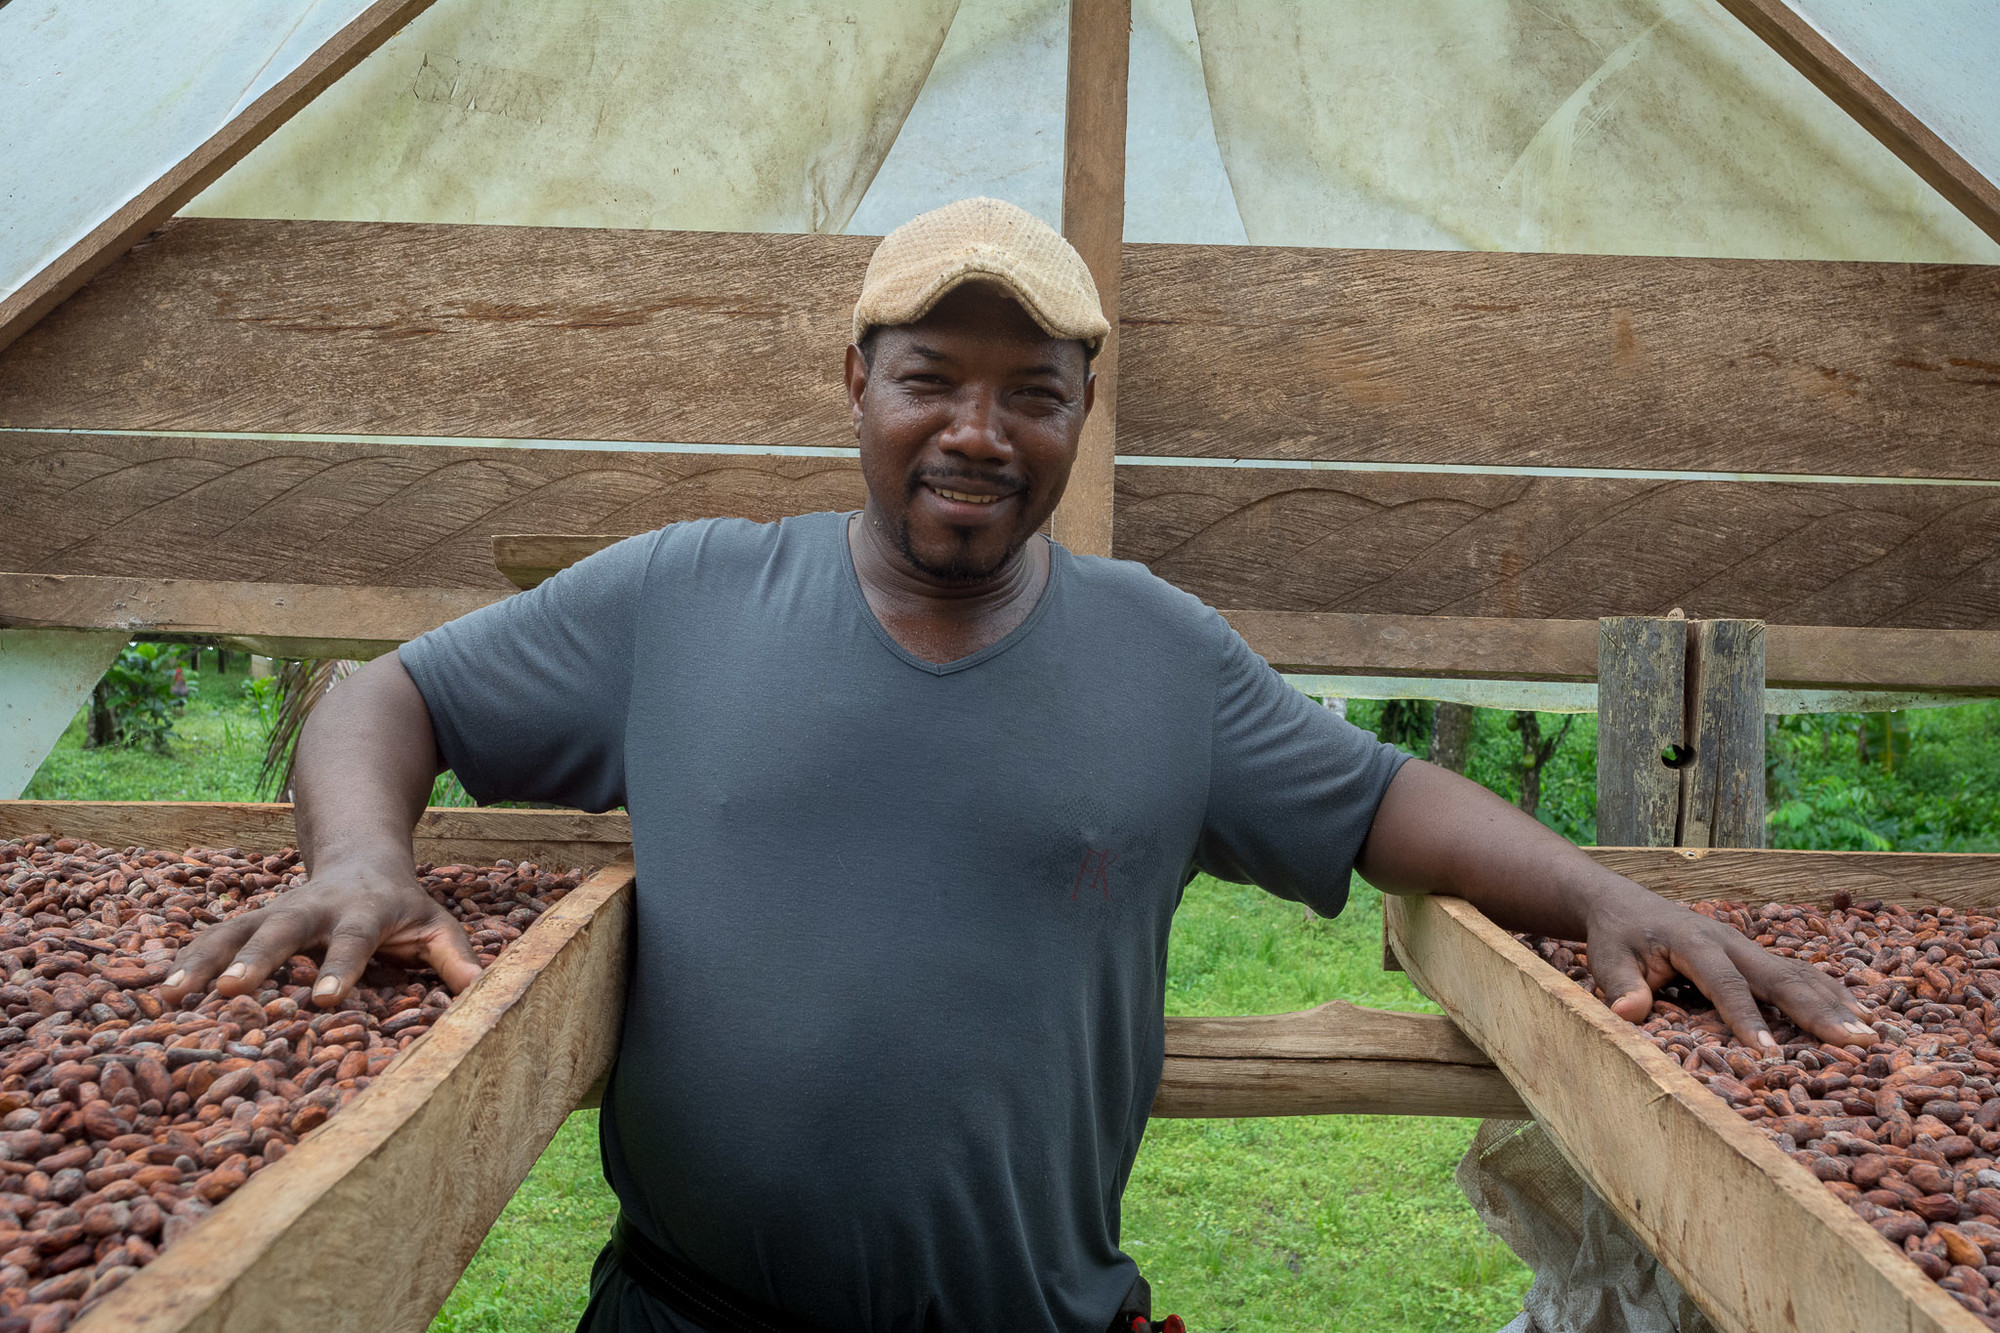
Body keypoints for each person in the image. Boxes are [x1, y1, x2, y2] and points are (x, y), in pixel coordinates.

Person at [161, 198, 1872, 1333]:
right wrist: (364, 861)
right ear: (857, 383)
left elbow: (1374, 804)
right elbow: (384, 696)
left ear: (1081, 409)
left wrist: (1596, 887)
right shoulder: (679, 595)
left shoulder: (1162, 653)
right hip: (684, 1315)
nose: (979, 431)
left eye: (1031, 392)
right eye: (933, 379)